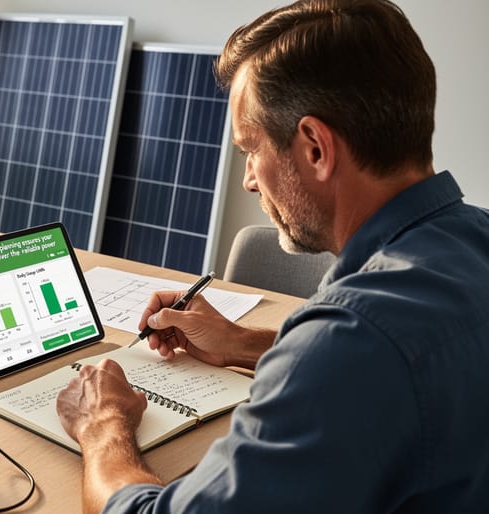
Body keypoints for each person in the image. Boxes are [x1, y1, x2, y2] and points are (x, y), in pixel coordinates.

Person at [55, 0, 489, 512]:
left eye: (249, 149)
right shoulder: (472, 241)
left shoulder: (352, 340)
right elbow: (405, 371)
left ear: (315, 149)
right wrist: (242, 344)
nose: (248, 179)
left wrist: (104, 424)